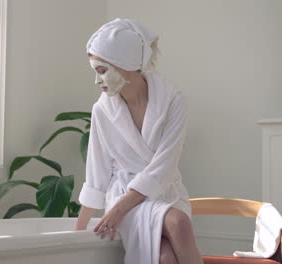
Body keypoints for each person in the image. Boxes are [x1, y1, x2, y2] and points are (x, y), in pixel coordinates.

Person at [74, 18, 204, 264]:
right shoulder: (102, 110)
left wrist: (117, 211)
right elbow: (97, 173)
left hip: (166, 194)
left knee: (166, 258)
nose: (97, 81)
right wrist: (77, 235)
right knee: (178, 222)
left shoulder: (173, 101)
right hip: (124, 197)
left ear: (126, 65)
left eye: (102, 71)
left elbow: (165, 166)